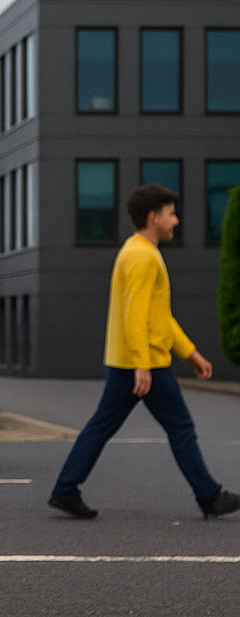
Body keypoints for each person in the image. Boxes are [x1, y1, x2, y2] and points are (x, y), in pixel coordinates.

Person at [49, 182, 239, 520]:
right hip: (143, 362)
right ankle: (209, 495)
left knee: (102, 426)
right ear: (153, 217)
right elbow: (134, 314)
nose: (176, 221)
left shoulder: (140, 252)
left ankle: (66, 489)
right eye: (171, 214)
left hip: (133, 360)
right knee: (180, 427)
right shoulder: (141, 257)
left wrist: (189, 353)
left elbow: (158, 316)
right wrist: (142, 365)